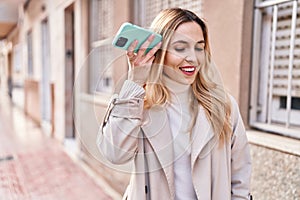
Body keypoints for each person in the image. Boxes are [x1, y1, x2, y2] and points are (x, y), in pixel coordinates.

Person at [97, 8, 252, 200]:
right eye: (180, 48)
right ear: (158, 52)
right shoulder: (140, 105)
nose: (193, 58)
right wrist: (134, 83)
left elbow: (240, 176)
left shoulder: (223, 105)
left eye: (199, 47)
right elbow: (114, 153)